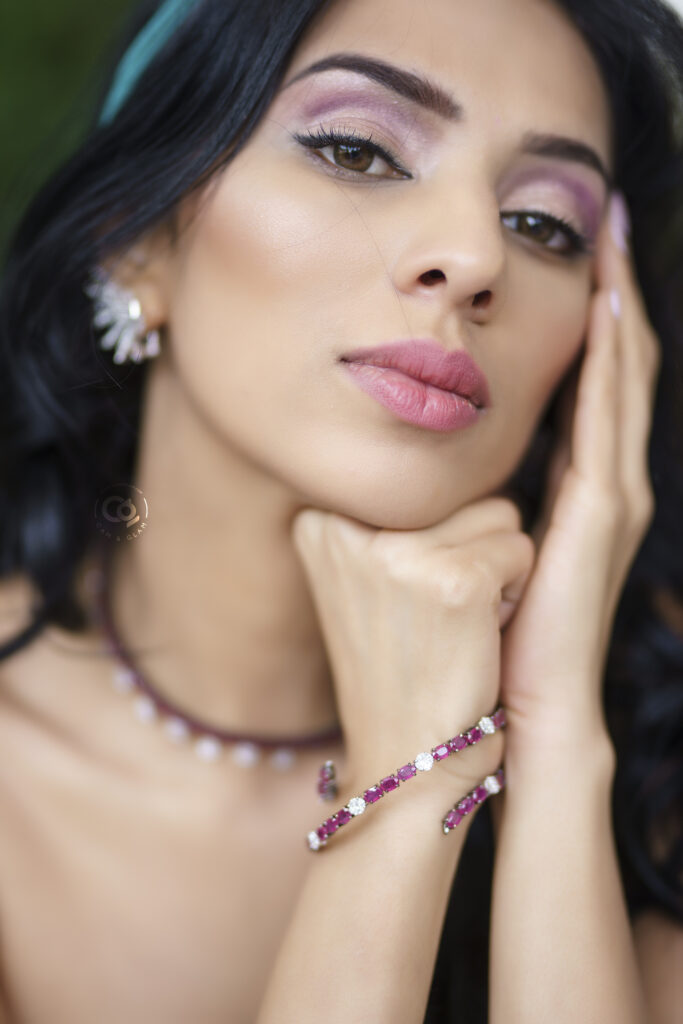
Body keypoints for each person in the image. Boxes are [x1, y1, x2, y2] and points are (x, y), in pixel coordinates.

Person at [0, 0, 681, 1020]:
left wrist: (551, 735)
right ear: (135, 235)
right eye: (357, 151)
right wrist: (409, 792)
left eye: (542, 223)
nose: (475, 255)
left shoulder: (649, 769)